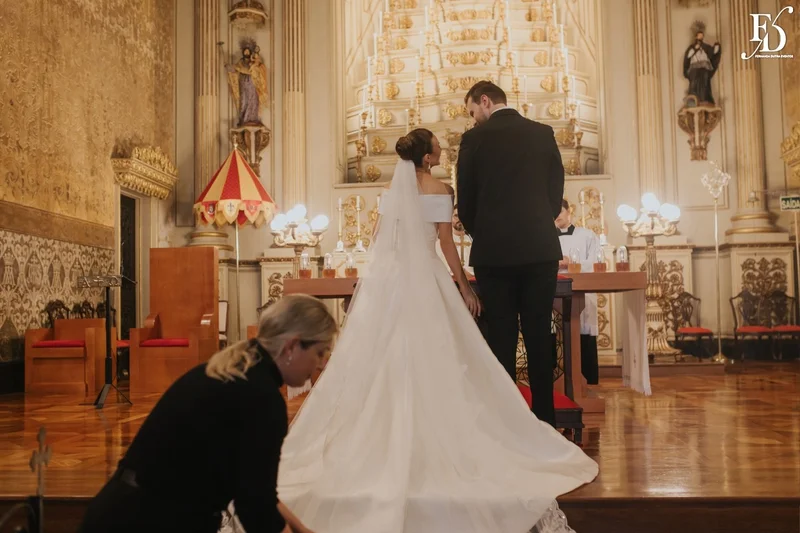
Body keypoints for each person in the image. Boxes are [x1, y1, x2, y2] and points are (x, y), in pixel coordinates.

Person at [248, 129, 597, 533]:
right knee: (440, 357)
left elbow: (379, 239)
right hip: (427, 281)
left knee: (386, 357)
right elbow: (447, 245)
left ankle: (381, 439)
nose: (442, 148)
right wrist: (464, 286)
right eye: (438, 145)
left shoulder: (391, 191)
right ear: (428, 157)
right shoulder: (440, 189)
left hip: (391, 282)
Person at [78, 294, 338, 533]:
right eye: (319, 352)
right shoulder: (262, 398)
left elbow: (253, 486)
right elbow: (257, 511)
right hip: (152, 521)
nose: (322, 363)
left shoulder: (232, 370)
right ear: (292, 347)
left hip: (120, 512)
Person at [457, 80, 565, 427]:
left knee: (501, 339)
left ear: (484, 101)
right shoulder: (542, 132)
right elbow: (555, 190)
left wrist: (484, 232)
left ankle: (507, 424)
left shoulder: (474, 140)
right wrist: (536, 224)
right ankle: (545, 422)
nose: (473, 120)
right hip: (540, 250)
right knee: (538, 336)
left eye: (473, 112)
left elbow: (467, 199)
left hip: (494, 255)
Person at [555, 198, 601, 385]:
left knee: (582, 332)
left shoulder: (587, 235)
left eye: (559, 211)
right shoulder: (545, 237)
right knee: (556, 334)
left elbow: (597, 261)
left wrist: (574, 263)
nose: (556, 215)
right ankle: (557, 380)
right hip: (555, 291)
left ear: (569, 212)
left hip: (582, 291)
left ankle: (587, 381)